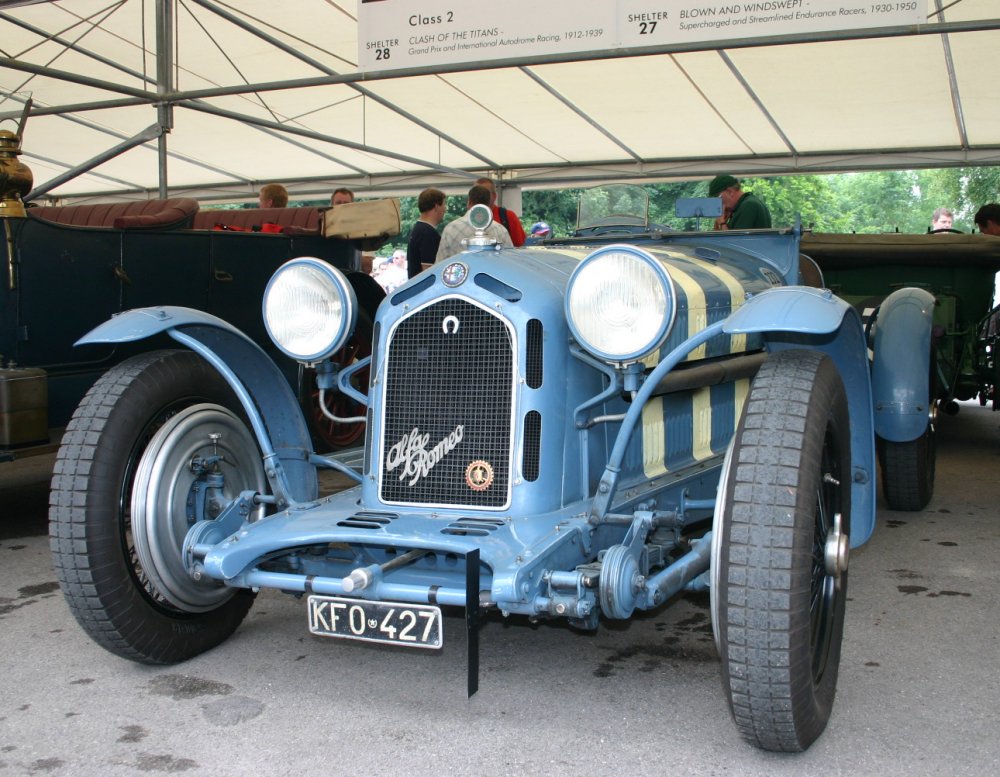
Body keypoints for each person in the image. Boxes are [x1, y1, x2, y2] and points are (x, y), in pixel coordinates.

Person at [436, 184, 513, 263]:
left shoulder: (450, 229)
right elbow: (510, 260)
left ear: (469, 202)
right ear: (489, 203)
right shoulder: (500, 229)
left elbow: (440, 263)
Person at [406, 188, 446, 278]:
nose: (445, 209)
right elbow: (429, 271)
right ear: (436, 206)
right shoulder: (428, 234)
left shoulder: (417, 229)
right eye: (444, 205)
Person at [475, 177, 526, 246]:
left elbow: (519, 246)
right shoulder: (469, 218)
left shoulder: (508, 216)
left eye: (484, 193)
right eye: (476, 193)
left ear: (494, 196)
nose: (479, 197)